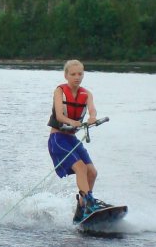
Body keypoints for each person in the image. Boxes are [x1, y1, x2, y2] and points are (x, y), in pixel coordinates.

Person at [47, 59, 111, 222]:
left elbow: (92, 109)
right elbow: (60, 115)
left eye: (80, 74)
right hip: (58, 139)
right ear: (66, 75)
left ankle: (82, 205)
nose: (77, 77)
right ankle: (89, 202)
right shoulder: (59, 91)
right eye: (73, 74)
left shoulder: (86, 93)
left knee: (92, 172)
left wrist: (93, 117)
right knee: (81, 168)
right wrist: (72, 122)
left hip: (72, 139)